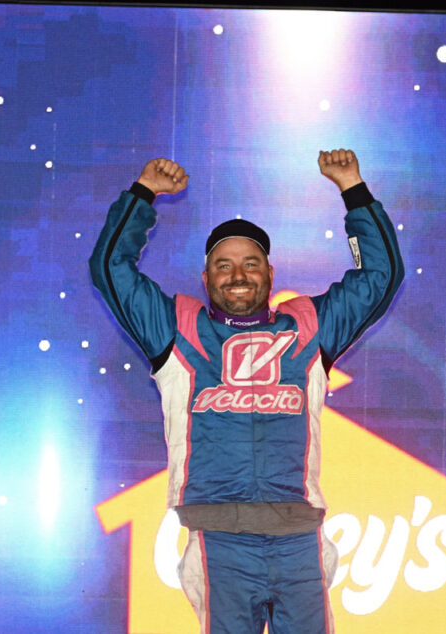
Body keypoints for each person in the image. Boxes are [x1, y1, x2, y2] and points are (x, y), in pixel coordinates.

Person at [90, 149, 404, 634]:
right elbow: (111, 267)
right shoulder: (177, 329)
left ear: (270, 274)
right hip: (220, 540)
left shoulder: (308, 327)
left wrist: (353, 189)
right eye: (223, 265)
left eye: (251, 263)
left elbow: (380, 278)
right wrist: (143, 193)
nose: (238, 275)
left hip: (298, 537)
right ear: (206, 277)